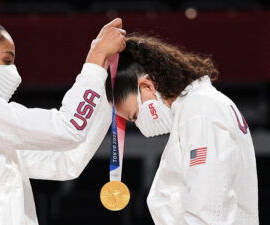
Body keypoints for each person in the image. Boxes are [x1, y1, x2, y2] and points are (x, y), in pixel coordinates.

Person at [0, 13, 126, 225]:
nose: (14, 72)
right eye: (6, 61)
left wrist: (105, 89)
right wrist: (96, 57)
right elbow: (68, 128)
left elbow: (66, 162)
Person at [107, 35, 258, 224]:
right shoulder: (200, 106)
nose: (139, 124)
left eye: (135, 115)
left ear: (147, 86)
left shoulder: (200, 112)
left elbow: (207, 213)